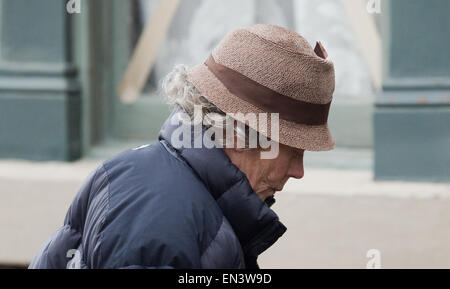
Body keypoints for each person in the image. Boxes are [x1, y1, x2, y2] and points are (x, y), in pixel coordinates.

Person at [29, 24, 335, 269]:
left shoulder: (184, 196)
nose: (299, 171)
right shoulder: (159, 218)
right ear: (240, 135)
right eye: (294, 150)